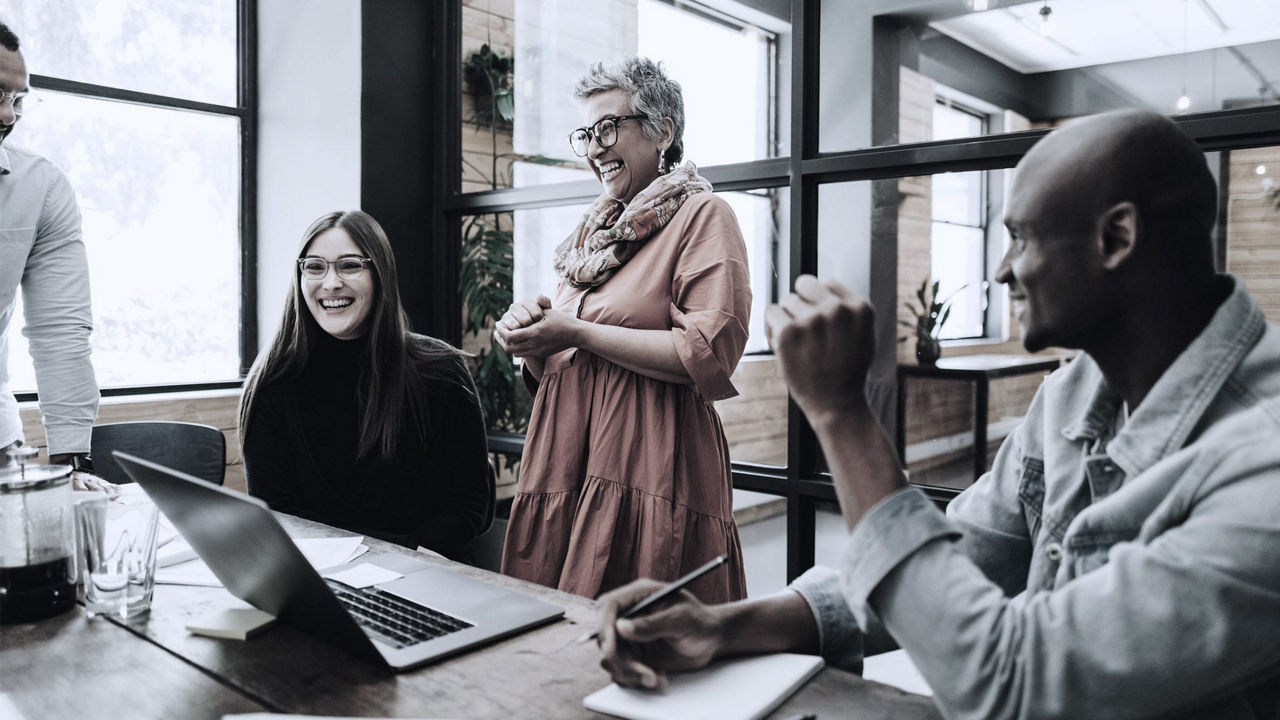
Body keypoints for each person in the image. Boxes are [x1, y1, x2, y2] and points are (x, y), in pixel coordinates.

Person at [595, 109, 1280, 719]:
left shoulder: (1264, 464)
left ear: (1115, 239)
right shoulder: (1073, 392)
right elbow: (959, 562)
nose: (1003, 271)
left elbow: (1014, 685)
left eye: (1020, 237)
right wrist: (724, 626)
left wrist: (840, 413)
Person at [494, 57, 751, 603]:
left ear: (663, 131)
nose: (594, 148)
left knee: (647, 640)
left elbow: (705, 354)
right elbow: (562, 368)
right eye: (586, 134)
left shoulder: (703, 216)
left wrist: (576, 332)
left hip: (650, 466)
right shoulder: (592, 237)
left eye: (609, 127)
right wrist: (533, 339)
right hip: (568, 461)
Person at [239, 210, 490, 561]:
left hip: (421, 572)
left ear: (380, 275)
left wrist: (402, 558)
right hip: (316, 575)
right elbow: (278, 511)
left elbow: (468, 506)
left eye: (349, 266)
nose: (330, 283)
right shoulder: (272, 381)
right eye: (315, 267)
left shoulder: (441, 371)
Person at [0, 20, 111, 493]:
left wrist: (72, 467)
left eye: (16, 99)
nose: (8, 116)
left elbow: (60, 331)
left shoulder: (40, 187)